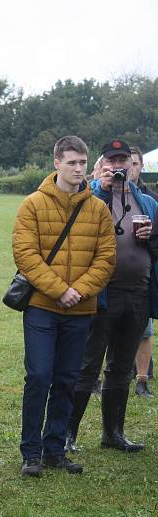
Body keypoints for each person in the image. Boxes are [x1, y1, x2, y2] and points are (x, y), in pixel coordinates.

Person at [12, 135, 115, 476]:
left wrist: (79, 291)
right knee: (39, 377)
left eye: (82, 163)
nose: (77, 169)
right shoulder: (33, 205)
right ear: (56, 163)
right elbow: (26, 255)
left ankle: (54, 449)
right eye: (71, 162)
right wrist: (58, 290)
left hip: (80, 309)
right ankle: (31, 452)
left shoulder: (98, 209)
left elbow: (105, 258)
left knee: (67, 379)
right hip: (42, 306)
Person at [66, 139, 158, 454]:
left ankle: (113, 433)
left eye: (126, 162)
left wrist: (151, 237)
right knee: (88, 366)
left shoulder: (148, 203)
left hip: (139, 293)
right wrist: (103, 189)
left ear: (136, 166)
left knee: (120, 367)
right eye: (113, 161)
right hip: (102, 293)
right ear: (103, 165)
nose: (120, 167)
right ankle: (68, 435)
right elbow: (78, 227)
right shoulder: (90, 195)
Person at [131, 146, 157, 398]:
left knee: (144, 331)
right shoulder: (103, 194)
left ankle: (142, 379)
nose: (130, 169)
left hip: (143, 278)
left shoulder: (150, 199)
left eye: (136, 164)